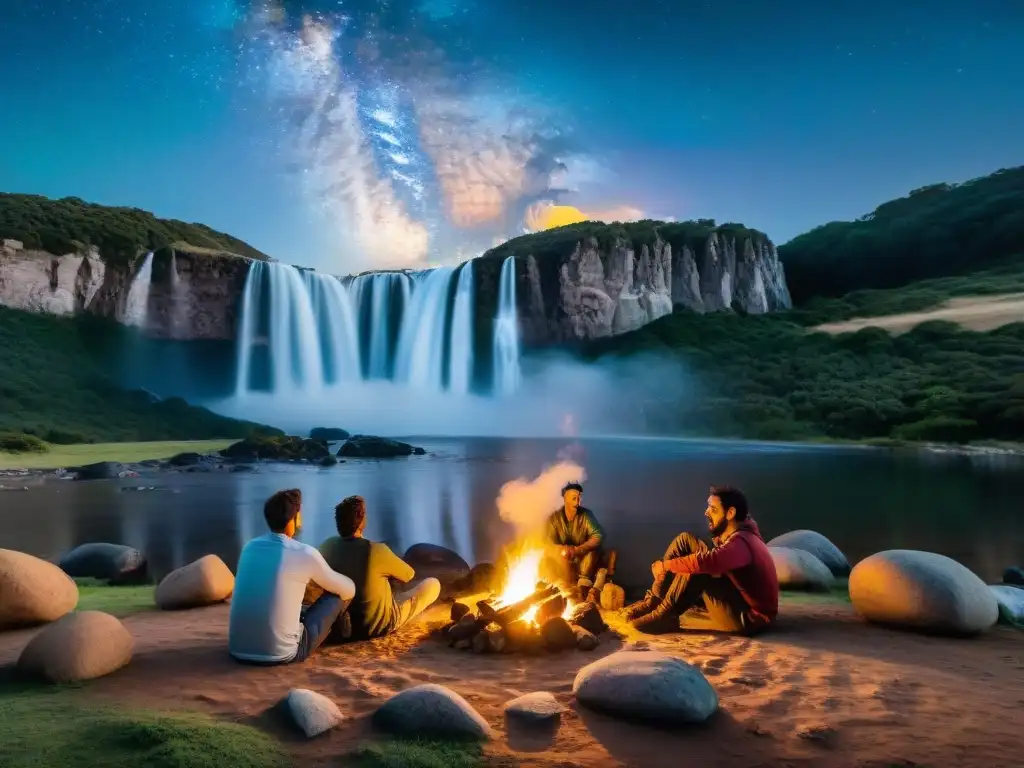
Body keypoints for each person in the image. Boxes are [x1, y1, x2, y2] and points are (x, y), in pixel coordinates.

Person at [626, 485, 779, 635]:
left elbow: (707, 562)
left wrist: (665, 566)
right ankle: (655, 600)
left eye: (713, 509)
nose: (706, 513)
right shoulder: (741, 531)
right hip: (739, 596)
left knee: (698, 566)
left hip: (748, 619)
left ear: (731, 513)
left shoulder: (741, 543)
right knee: (685, 540)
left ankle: (665, 616)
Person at [228, 488, 356, 665]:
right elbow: (348, 589)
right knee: (337, 595)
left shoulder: (249, 547)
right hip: (282, 654)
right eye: (299, 513)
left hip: (237, 650)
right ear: (292, 519)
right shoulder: (304, 552)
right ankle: (342, 637)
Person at [319, 495, 441, 640]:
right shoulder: (375, 549)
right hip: (378, 626)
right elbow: (409, 574)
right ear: (362, 520)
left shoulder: (327, 545)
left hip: (341, 625)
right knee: (433, 584)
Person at [542, 481, 610, 599]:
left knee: (592, 555)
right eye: (574, 497)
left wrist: (579, 549)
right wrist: (562, 549)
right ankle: (558, 590)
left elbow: (598, 535)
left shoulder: (586, 515)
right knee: (547, 560)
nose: (578, 500)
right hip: (562, 562)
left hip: (583, 560)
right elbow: (548, 543)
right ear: (565, 498)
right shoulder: (554, 518)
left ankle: (584, 589)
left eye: (579, 497)